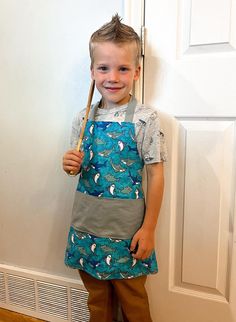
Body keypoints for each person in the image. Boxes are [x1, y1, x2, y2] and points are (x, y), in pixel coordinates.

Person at [62, 14, 167, 322]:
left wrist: (148, 229)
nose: (112, 77)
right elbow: (75, 168)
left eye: (123, 68)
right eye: (104, 68)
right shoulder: (83, 118)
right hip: (87, 225)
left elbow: (156, 174)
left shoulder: (145, 119)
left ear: (136, 72)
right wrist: (68, 164)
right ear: (92, 71)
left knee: (133, 298)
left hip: (127, 231)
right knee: (96, 299)